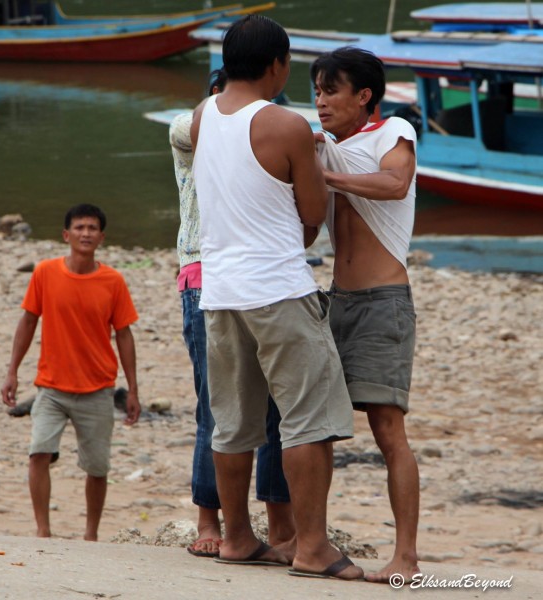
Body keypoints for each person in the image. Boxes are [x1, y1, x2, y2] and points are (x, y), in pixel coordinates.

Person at [191, 15, 362, 581]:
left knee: (234, 423)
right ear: (277, 65)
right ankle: (312, 547)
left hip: (219, 293)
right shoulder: (284, 124)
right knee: (308, 422)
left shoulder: (201, 116)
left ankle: (237, 537)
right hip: (278, 290)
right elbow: (312, 217)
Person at [170, 68, 295, 560]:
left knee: (277, 408)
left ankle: (280, 522)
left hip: (264, 276)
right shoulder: (194, 128)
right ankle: (209, 517)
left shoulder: (273, 130)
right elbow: (185, 125)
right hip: (206, 274)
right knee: (215, 405)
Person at [309, 47, 420, 583]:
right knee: (319, 429)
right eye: (316, 90)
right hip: (336, 300)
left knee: (387, 431)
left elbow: (395, 184)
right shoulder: (324, 148)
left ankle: (407, 557)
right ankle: (313, 544)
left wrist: (324, 176)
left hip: (383, 302)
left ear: (364, 96)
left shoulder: (391, 132)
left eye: (332, 90)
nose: (321, 100)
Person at [1, 204, 141, 541]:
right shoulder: (45, 273)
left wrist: (133, 389)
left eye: (93, 228)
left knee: (97, 467)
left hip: (97, 389)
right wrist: (12, 371)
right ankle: (43, 530)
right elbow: (28, 321)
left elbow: (124, 334)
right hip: (51, 387)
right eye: (79, 228)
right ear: (66, 235)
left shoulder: (113, 281)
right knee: (39, 452)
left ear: (102, 238)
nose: (86, 234)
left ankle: (90, 536)